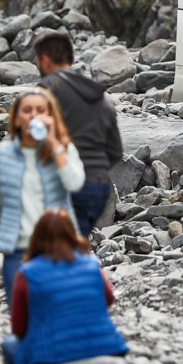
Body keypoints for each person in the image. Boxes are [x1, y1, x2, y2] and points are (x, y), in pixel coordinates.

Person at [0, 89, 85, 304]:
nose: (34, 116)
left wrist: (54, 145)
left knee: (57, 315)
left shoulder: (64, 150)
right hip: (17, 252)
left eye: (40, 110)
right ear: (17, 119)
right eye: (27, 111)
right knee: (21, 320)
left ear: (50, 117)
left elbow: (75, 184)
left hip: (59, 249)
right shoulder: (2, 155)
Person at [1, 208, 127, 364]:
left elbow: (19, 329)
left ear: (36, 237)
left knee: (9, 345)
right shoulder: (92, 266)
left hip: (50, 359)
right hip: (108, 349)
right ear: (71, 233)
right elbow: (109, 299)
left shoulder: (27, 273)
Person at [34, 31, 123, 238]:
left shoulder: (47, 89)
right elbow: (116, 152)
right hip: (98, 189)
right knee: (72, 243)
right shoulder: (103, 98)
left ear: (45, 60)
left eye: (37, 61)